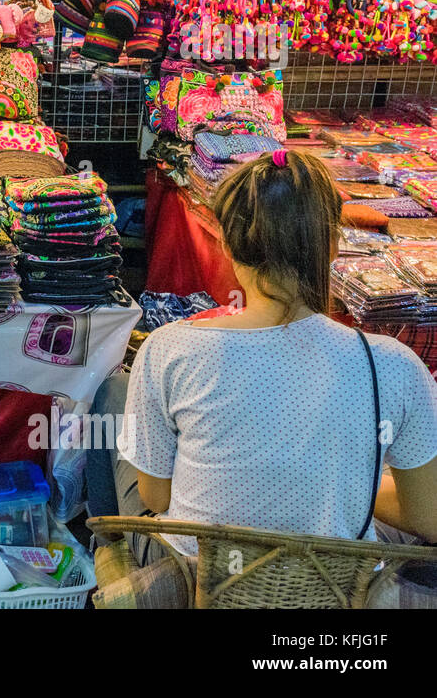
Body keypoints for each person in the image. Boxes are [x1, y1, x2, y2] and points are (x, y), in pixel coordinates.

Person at [88, 149, 437, 562]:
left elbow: (157, 497)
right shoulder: (394, 365)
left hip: (198, 579)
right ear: (333, 247)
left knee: (113, 391)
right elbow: (427, 516)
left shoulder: (167, 349)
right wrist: (341, 478)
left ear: (230, 249)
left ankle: (112, 563)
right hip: (333, 586)